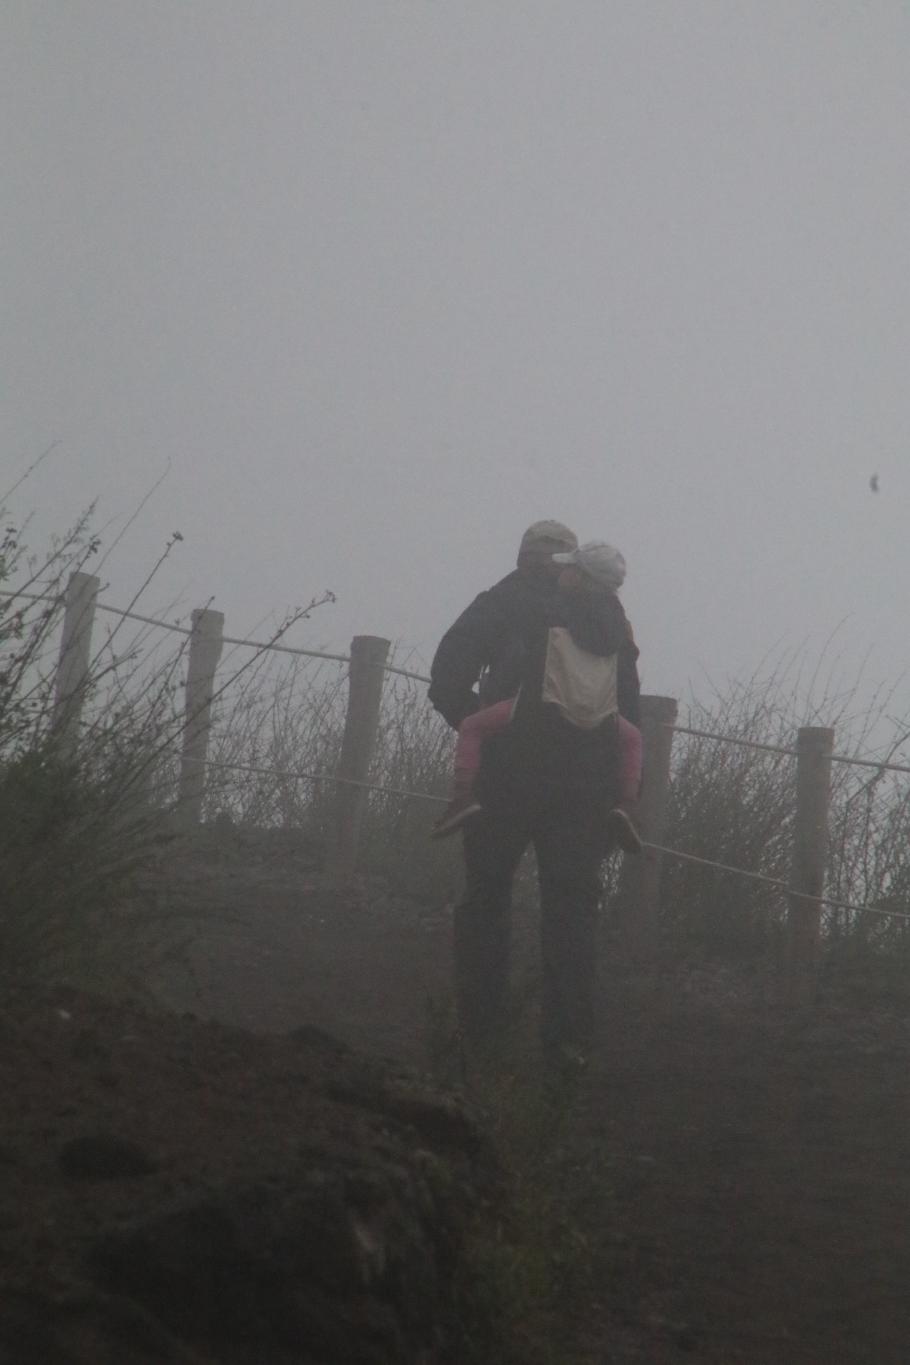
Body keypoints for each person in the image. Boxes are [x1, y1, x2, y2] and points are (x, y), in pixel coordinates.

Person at [428, 523, 641, 1061]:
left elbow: (447, 676)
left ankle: (481, 1030)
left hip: (506, 778)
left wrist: (478, 729)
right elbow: (629, 709)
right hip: (586, 788)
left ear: (524, 555)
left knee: (487, 896)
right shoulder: (613, 619)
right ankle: (568, 1041)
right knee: (572, 908)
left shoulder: (503, 601)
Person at [430, 541, 642, 853]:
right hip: (599, 727)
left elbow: (512, 668)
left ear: (582, 577)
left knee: (473, 727)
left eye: (570, 567)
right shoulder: (619, 630)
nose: (563, 571)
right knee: (634, 739)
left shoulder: (548, 612)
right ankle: (628, 805)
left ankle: (462, 798)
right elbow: (628, 692)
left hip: (531, 716)